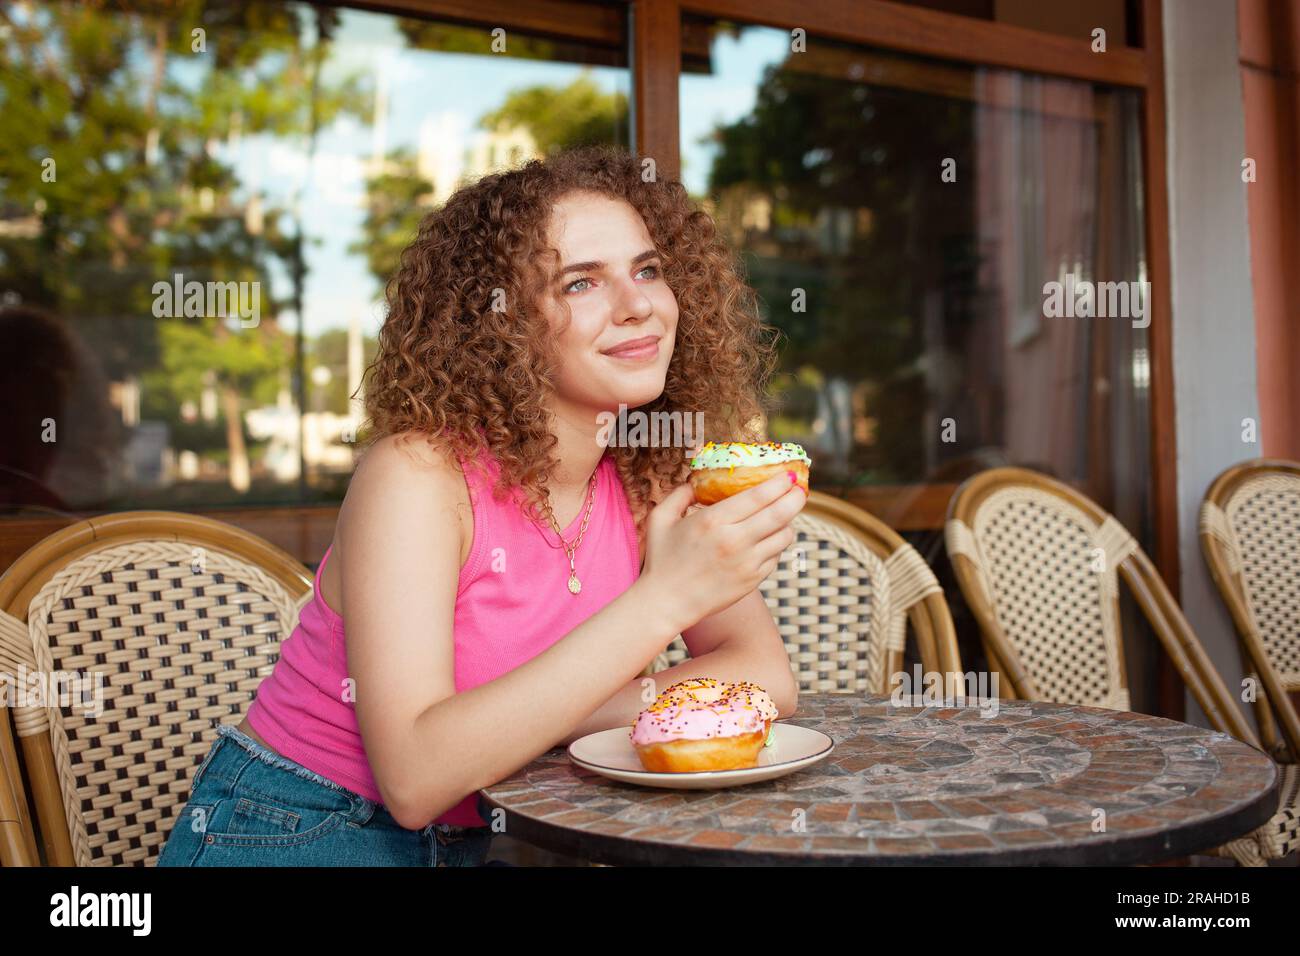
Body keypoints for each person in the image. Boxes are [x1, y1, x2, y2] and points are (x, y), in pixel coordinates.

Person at [157, 144, 804, 867]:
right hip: (304, 828)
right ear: (499, 323)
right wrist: (662, 603)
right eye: (581, 283)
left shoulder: (649, 469)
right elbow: (416, 776)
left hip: (497, 837)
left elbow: (767, 678)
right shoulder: (417, 476)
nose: (639, 305)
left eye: (647, 269)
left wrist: (536, 717)